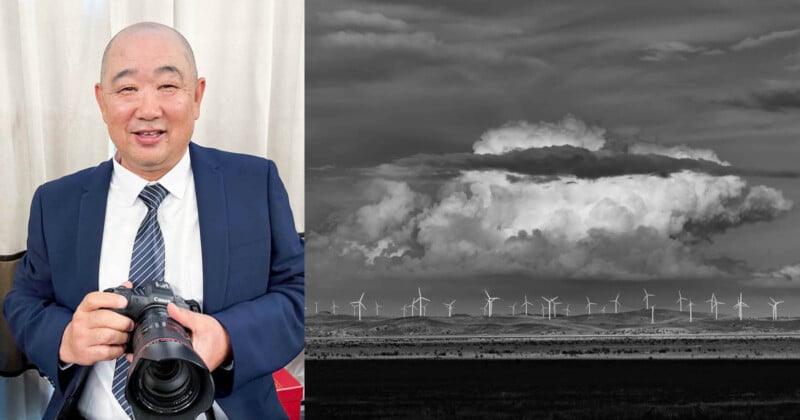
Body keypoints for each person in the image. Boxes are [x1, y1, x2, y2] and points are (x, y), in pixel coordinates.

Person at [3, 22, 304, 419]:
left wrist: (227, 338)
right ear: (102, 101)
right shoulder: (56, 202)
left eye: (167, 86)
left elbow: (300, 293)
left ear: (197, 96)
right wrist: (65, 338)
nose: (148, 110)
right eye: (127, 89)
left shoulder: (255, 185)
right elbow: (24, 302)